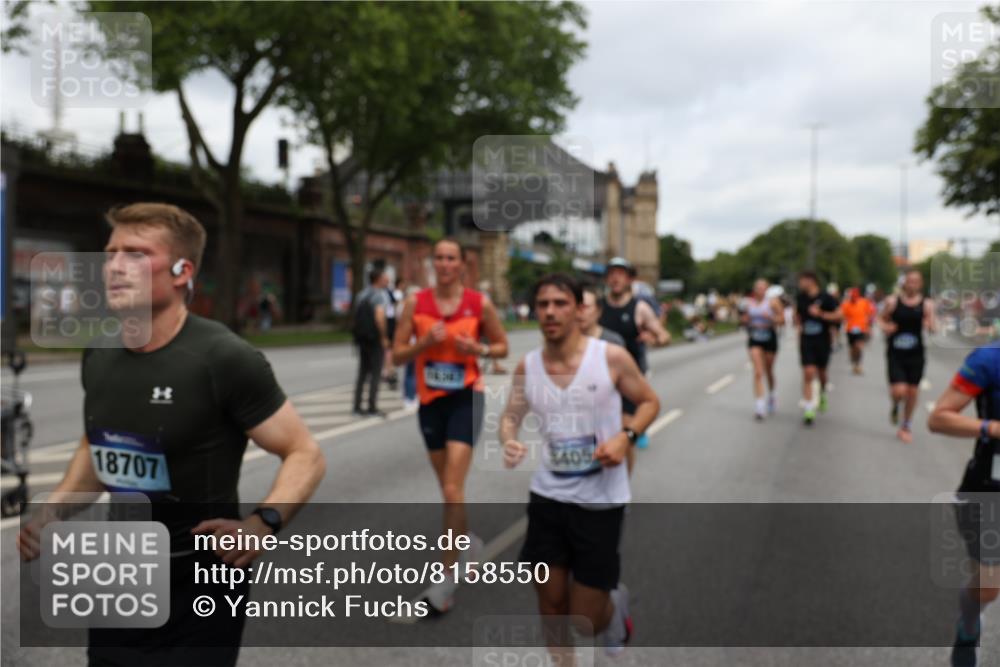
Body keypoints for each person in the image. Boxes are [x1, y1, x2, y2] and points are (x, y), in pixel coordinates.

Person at [15, 203, 326, 667]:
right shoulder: (99, 352)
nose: (115, 266)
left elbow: (305, 453)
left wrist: (261, 525)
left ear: (183, 271)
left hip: (200, 585)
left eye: (135, 254)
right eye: (111, 252)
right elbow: (95, 445)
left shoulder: (223, 357)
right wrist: (54, 509)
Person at [501, 273, 660, 659]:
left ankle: (615, 607)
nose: (551, 312)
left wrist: (626, 436)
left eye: (560, 303)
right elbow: (510, 415)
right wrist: (509, 440)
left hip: (600, 502)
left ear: (578, 309)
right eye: (543, 304)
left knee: (583, 617)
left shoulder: (609, 357)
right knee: (551, 604)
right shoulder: (529, 365)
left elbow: (650, 402)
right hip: (548, 497)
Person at [391, 238, 509, 613]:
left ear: (463, 264)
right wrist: (423, 342)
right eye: (439, 258)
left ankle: (445, 581)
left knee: (453, 487)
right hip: (430, 403)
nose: (444, 264)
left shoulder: (479, 304)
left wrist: (480, 351)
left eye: (451, 259)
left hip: (466, 398)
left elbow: (502, 346)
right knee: (448, 488)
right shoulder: (416, 303)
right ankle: (468, 542)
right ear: (433, 264)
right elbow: (396, 354)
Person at [928, 340, 1000, 667]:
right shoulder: (989, 359)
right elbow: (939, 418)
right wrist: (991, 428)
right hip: (988, 489)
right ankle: (968, 627)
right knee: (987, 587)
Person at [599, 257, 670, 457]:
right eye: (611, 274)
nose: (615, 278)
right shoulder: (598, 308)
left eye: (620, 274)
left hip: (631, 376)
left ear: (629, 279)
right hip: (601, 375)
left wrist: (652, 339)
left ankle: (621, 483)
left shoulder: (639, 308)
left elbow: (664, 336)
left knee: (623, 431)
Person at [879, 268, 936, 443]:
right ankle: (896, 404)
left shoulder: (926, 304)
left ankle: (906, 424)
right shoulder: (892, 301)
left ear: (920, 285)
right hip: (896, 352)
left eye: (915, 281)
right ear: (904, 283)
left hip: (916, 353)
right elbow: (880, 319)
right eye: (909, 281)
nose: (911, 284)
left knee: (912, 391)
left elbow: (933, 327)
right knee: (899, 390)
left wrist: (929, 324)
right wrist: (886, 327)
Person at [795, 271, 842, 426]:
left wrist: (821, 314)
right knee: (808, 372)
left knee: (822, 373)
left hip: (822, 340)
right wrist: (797, 324)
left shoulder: (826, 297)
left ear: (811, 280)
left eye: (802, 280)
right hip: (806, 340)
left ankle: (822, 393)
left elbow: (839, 315)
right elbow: (798, 316)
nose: (800, 283)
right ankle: (809, 408)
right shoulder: (800, 298)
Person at [741, 279, 785, 421]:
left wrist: (771, 318)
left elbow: (782, 320)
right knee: (758, 372)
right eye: (757, 288)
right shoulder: (749, 303)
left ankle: (772, 394)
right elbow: (743, 319)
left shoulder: (772, 302)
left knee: (768, 370)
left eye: (762, 288)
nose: (760, 290)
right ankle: (760, 406)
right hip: (754, 337)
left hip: (769, 338)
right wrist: (745, 320)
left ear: (766, 289)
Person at [351, 268, 391, 417]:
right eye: (384, 277)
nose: (386, 280)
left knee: (362, 373)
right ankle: (372, 406)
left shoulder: (360, 295)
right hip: (374, 339)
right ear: (378, 279)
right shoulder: (379, 296)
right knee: (375, 373)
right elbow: (380, 318)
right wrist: (384, 337)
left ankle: (356, 406)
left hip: (362, 338)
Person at [841, 287, 877, 375]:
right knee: (853, 348)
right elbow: (843, 316)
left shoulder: (864, 302)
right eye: (852, 296)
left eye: (855, 296)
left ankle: (858, 364)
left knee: (859, 347)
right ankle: (854, 362)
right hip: (850, 329)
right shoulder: (846, 304)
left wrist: (869, 327)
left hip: (861, 328)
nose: (853, 297)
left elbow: (870, 313)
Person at [382, 276, 403, 390]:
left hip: (389, 321)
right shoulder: (389, 293)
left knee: (388, 349)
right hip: (389, 322)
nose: (387, 282)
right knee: (389, 348)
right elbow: (396, 307)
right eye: (385, 280)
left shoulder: (388, 292)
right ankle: (389, 371)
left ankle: (388, 370)